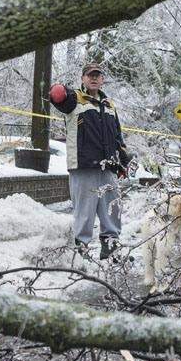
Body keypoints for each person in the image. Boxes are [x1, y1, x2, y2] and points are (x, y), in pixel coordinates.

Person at [49, 62, 131, 260]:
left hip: (108, 166)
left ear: (102, 79)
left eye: (97, 75)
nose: (94, 78)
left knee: (113, 207)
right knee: (84, 211)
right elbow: (58, 98)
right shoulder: (74, 99)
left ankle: (110, 246)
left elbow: (117, 135)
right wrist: (57, 91)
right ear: (83, 79)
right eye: (89, 75)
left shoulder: (109, 105)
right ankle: (81, 250)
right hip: (83, 165)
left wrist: (122, 157)